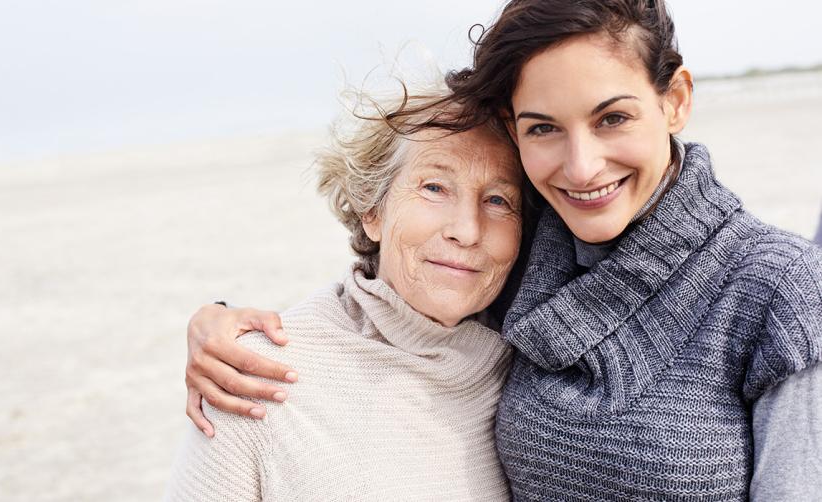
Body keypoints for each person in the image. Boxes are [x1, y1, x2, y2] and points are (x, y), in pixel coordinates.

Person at [183, 1, 822, 500]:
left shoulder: (781, 289)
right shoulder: (537, 254)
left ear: (676, 100)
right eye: (543, 128)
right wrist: (219, 320)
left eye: (612, 118)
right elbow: (399, 302)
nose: (582, 164)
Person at [167, 91, 530, 500]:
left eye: (498, 200)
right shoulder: (251, 373)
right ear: (371, 210)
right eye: (434, 188)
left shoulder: (531, 373)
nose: (467, 230)